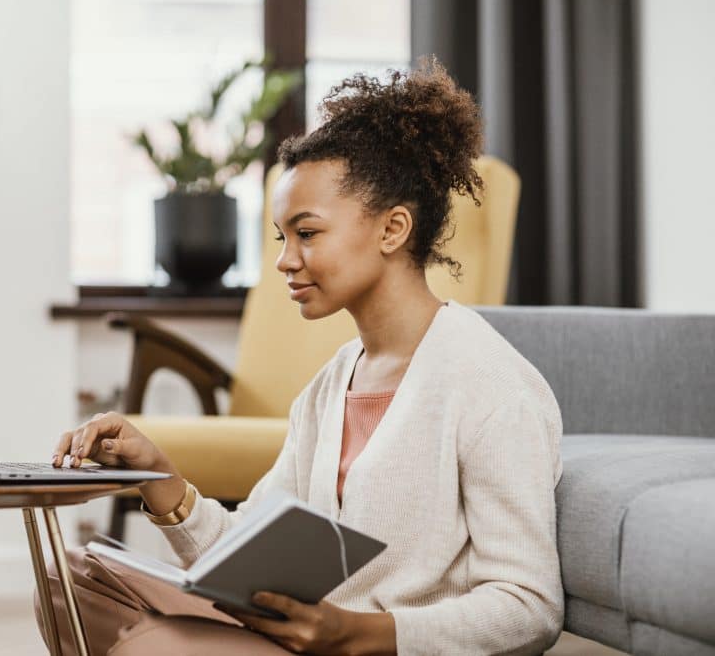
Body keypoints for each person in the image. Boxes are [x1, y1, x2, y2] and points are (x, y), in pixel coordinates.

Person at [40, 57, 564, 655]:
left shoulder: (492, 385)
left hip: (373, 647)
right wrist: (161, 477)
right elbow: (246, 556)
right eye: (280, 238)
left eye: (307, 233)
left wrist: (361, 633)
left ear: (393, 230)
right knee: (66, 581)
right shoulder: (331, 385)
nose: (285, 260)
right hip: (296, 637)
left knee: (152, 646)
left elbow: (531, 607)